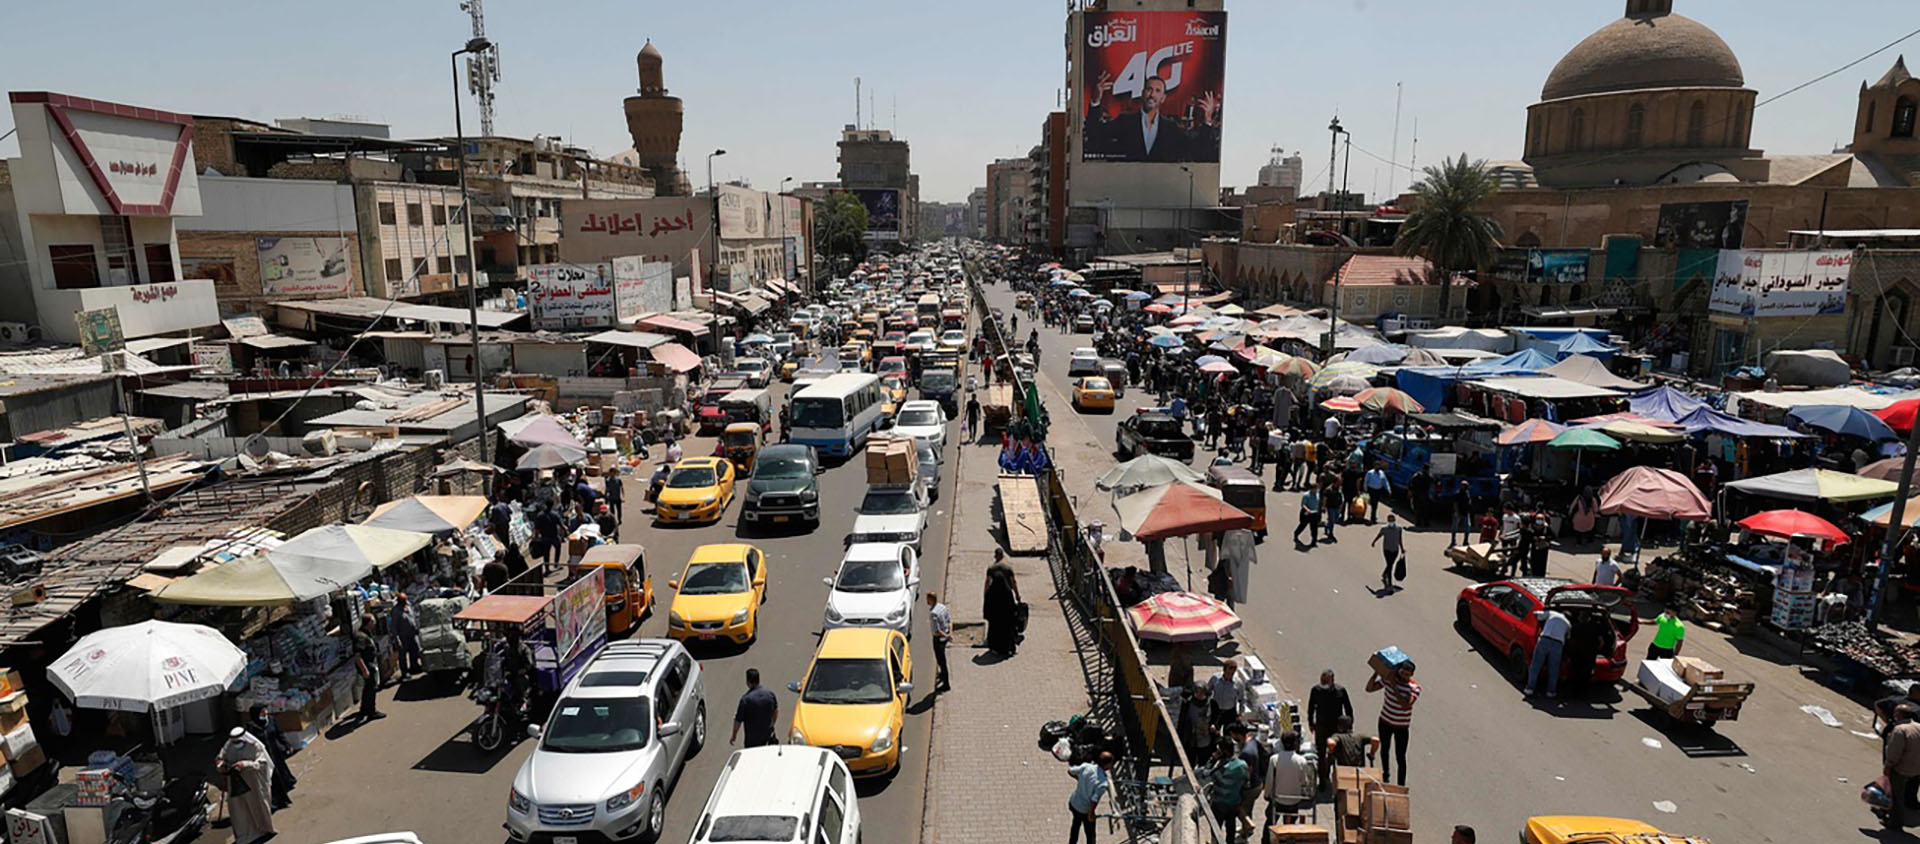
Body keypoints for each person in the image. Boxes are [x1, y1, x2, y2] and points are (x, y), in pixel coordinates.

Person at [218, 726, 277, 844]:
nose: (236, 744)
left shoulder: (256, 746)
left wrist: (245, 764)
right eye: (234, 742)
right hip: (235, 782)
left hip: (254, 782)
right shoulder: (229, 746)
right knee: (239, 809)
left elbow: (262, 763)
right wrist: (221, 765)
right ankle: (244, 834)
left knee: (257, 805)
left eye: (239, 741)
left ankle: (264, 829)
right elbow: (220, 758)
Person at [1366, 662, 1419, 786]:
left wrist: (1394, 686)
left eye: (1407, 674)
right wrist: (1377, 673)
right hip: (1385, 721)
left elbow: (1405, 705)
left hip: (1402, 727)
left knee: (1400, 756)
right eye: (1402, 672)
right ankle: (1386, 774)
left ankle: (1401, 784)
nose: (1404, 676)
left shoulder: (1414, 687)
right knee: (1385, 749)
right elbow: (1369, 688)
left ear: (1411, 675)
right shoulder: (1388, 680)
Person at [245, 704, 297, 810]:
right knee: (272, 777)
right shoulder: (251, 727)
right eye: (262, 712)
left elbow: (279, 734)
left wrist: (287, 744)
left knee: (281, 770)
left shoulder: (271, 721)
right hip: (264, 755)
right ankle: (277, 799)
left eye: (265, 711)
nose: (265, 714)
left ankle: (287, 785)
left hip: (275, 751)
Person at [1264, 730, 1318, 831]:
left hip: (1278, 799)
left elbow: (1269, 781)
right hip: (1294, 800)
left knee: (1270, 820)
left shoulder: (1274, 759)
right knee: (1291, 824)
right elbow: (1304, 782)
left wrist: (1267, 795)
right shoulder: (1302, 761)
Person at [1308, 669, 1352, 783]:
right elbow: (1311, 707)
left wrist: (1349, 725)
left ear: (1332, 681)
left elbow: (1348, 709)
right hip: (1321, 726)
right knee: (1321, 753)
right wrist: (1311, 723)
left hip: (1336, 728)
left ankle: (1332, 772)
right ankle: (1323, 778)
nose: (1323, 684)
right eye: (1322, 681)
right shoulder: (1316, 690)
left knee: (1335, 753)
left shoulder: (1340, 691)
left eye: (1326, 682)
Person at [1203, 739, 1250, 841]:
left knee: (1216, 828)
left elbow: (1206, 775)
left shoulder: (1221, 769)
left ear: (1224, 752)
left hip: (1218, 803)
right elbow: (1246, 784)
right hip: (1234, 803)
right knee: (1230, 827)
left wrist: (1212, 760)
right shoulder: (1242, 765)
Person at [1067, 751, 1114, 844]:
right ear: (1107, 765)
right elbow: (1094, 800)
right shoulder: (1102, 782)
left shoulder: (1086, 766)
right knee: (1090, 834)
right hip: (1085, 809)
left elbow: (1070, 771)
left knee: (1075, 825)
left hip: (1074, 802)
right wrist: (1091, 814)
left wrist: (1079, 779)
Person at [1526, 607, 1571, 698]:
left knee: (1536, 665)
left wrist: (1542, 624)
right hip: (1558, 644)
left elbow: (1536, 614)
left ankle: (1529, 689)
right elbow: (1568, 637)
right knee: (1554, 669)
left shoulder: (1552, 613)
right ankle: (1551, 692)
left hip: (1545, 639)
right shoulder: (1568, 624)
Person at [984, 550, 1022, 657]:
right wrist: (1017, 595)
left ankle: (995, 647)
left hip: (995, 600)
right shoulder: (1008, 568)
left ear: (995, 556)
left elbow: (987, 583)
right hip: (1007, 599)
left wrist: (985, 596)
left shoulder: (991, 568)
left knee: (995, 624)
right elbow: (1013, 582)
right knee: (1008, 624)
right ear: (1002, 556)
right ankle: (1009, 647)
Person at [1888, 705, 1920, 829]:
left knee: (1896, 795)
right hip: (1917, 768)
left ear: (1898, 715)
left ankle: (1895, 823)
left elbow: (1894, 752)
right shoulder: (1918, 726)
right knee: (1909, 791)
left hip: (1902, 768)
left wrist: (1888, 766)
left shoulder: (1900, 730)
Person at [731, 668, 779, 747]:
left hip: (752, 741)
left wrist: (734, 736)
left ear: (748, 681)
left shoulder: (745, 700)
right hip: (768, 737)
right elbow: (776, 712)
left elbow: (738, 721)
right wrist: (772, 725)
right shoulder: (770, 695)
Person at [352, 615, 384, 721]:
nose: (375, 624)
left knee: (368, 688)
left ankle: (364, 709)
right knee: (371, 689)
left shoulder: (366, 633)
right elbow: (357, 656)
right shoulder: (361, 637)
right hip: (367, 665)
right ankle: (371, 711)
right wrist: (364, 669)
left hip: (370, 664)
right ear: (368, 623)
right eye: (373, 622)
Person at [1207, 659, 1248, 728]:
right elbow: (1208, 691)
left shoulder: (1238, 683)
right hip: (1216, 711)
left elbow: (1242, 699)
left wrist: (1241, 714)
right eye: (1228, 673)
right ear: (1224, 670)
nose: (1230, 676)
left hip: (1230, 712)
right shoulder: (1215, 678)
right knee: (1213, 732)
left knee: (1229, 734)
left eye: (1232, 674)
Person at [391, 593, 423, 679]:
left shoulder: (408, 606)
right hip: (403, 636)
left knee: (415, 650)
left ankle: (414, 666)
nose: (405, 602)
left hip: (412, 634)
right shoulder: (396, 611)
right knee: (403, 655)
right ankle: (404, 673)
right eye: (403, 601)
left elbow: (413, 617)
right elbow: (393, 626)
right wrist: (397, 639)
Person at [1371, 515, 1405, 594]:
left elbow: (1400, 539)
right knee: (1390, 566)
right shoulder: (1384, 528)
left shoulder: (1399, 528)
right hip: (1387, 550)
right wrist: (1374, 541)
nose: (1391, 522)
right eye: (1389, 521)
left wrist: (1402, 548)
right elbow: (1380, 535)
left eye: (1392, 520)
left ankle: (1384, 574)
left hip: (1395, 550)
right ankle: (1389, 584)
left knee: (1390, 564)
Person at [927, 592, 952, 692]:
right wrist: (949, 633)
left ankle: (946, 684)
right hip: (945, 636)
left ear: (931, 600)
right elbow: (949, 621)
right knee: (942, 659)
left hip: (938, 639)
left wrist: (946, 636)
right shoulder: (942, 607)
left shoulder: (934, 614)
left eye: (927, 599)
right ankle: (942, 675)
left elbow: (937, 630)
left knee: (941, 660)